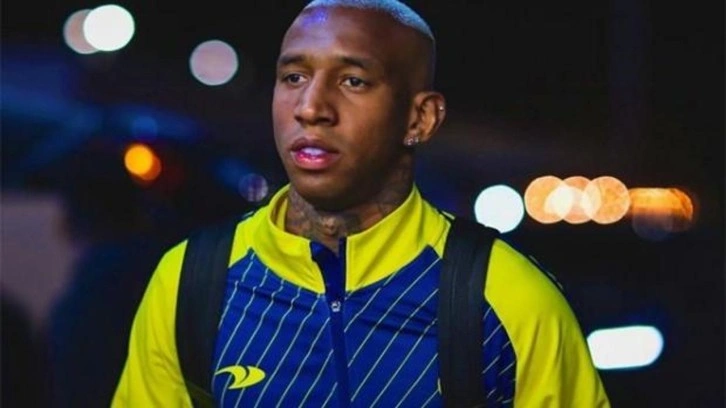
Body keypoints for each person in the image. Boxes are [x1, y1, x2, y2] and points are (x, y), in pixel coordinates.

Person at [113, 0, 611, 406]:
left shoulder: (507, 297)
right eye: (294, 77)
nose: (311, 107)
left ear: (421, 118)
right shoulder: (192, 282)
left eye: (353, 80)